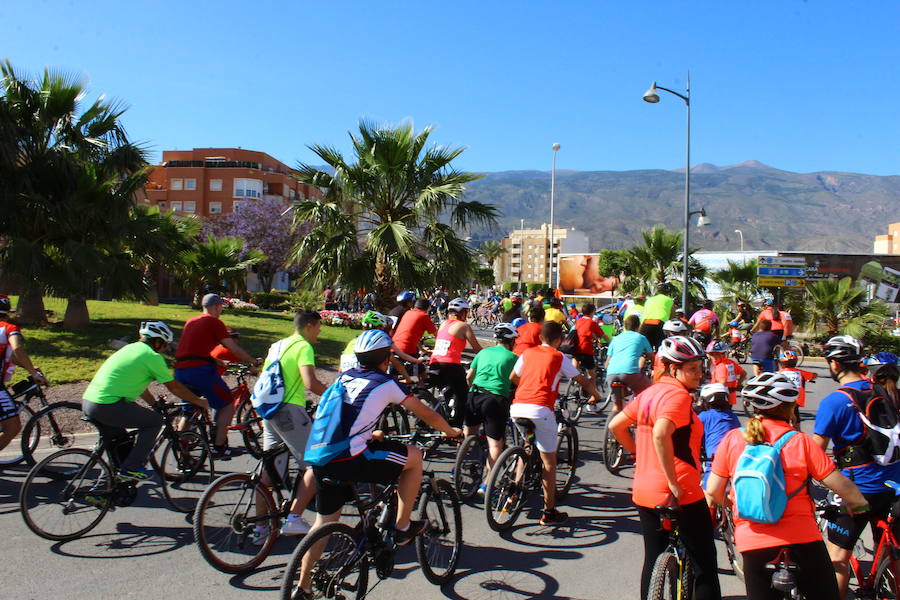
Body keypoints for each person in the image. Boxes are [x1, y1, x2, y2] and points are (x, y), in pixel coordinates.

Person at [293, 329, 462, 599]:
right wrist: (452, 432)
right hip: (351, 458)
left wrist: (370, 433)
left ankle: (302, 585)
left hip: (323, 458)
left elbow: (345, 417)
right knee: (414, 458)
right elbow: (426, 413)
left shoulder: (345, 377)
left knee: (323, 524)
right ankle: (402, 526)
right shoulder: (385, 383)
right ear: (387, 357)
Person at [707, 372, 869, 600]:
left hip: (753, 538)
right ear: (791, 408)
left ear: (750, 406)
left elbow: (713, 491)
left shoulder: (733, 439)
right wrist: (858, 503)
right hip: (801, 537)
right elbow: (838, 483)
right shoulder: (800, 441)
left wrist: (731, 503)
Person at [608, 336, 722, 600]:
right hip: (680, 489)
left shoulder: (649, 392)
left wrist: (637, 452)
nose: (699, 374)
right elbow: (661, 433)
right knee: (704, 561)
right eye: (691, 369)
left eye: (699, 367)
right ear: (673, 369)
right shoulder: (678, 396)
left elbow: (617, 426)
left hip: (644, 489)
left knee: (652, 557)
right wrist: (672, 479)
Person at [813, 335, 900, 598]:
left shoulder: (835, 401)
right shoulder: (883, 391)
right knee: (891, 548)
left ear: (834, 365)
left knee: (837, 558)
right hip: (894, 485)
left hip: (859, 489)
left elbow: (814, 452)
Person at [82, 321, 209, 480]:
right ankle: (132, 468)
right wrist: (198, 401)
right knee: (154, 422)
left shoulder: (130, 348)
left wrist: (154, 404)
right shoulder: (152, 356)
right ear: (157, 342)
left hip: (90, 402)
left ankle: (104, 487)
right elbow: (174, 387)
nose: (164, 350)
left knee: (122, 445)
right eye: (164, 345)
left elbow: (140, 387)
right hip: (108, 405)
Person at [510, 321, 602, 525]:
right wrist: (596, 395)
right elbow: (582, 381)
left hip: (518, 407)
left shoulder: (528, 353)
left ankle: (514, 493)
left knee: (526, 447)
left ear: (540, 337)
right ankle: (549, 512)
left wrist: (528, 386)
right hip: (541, 409)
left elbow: (514, 377)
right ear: (558, 340)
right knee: (549, 463)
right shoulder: (558, 356)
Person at [255, 310, 328, 539]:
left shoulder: (278, 345)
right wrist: (335, 397)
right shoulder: (304, 346)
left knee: (269, 471)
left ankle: (260, 528)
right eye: (318, 326)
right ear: (309, 325)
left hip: (269, 409)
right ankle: (294, 518)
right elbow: (310, 382)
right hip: (289, 409)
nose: (319, 331)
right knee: (316, 464)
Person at [174, 293, 260, 459]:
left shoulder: (191, 321)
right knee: (227, 404)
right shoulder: (214, 322)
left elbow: (191, 350)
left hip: (180, 370)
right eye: (221, 307)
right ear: (216, 307)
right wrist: (252, 361)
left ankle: (180, 444)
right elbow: (233, 348)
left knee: (189, 410)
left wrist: (216, 361)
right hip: (199, 371)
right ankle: (219, 448)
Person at [464, 322, 520, 493]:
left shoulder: (483, 353)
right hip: (495, 400)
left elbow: (469, 378)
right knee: (495, 444)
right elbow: (517, 382)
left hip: (474, 395)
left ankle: (460, 466)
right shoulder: (512, 358)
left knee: (469, 433)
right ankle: (487, 482)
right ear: (511, 342)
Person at [0, 296, 49, 454]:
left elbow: (11, 356)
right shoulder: (8, 328)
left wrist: (28, 367)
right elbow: (17, 349)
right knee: (13, 427)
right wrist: (33, 373)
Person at [430, 298, 482, 427]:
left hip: (434, 363)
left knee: (449, 391)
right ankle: (456, 428)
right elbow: (477, 349)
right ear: (463, 312)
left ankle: (446, 417)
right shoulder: (463, 326)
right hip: (450, 365)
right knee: (463, 395)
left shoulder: (443, 324)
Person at [605, 314, 653, 410]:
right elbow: (652, 357)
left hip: (611, 373)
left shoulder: (616, 339)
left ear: (625, 326)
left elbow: (607, 363)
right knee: (650, 390)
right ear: (638, 326)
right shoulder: (641, 338)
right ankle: (636, 414)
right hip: (630, 372)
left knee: (617, 406)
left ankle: (611, 424)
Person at [696, 383, 740, 487]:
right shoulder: (733, 417)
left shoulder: (704, 416)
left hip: (714, 463)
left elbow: (694, 439)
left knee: (708, 496)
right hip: (734, 462)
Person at [571, 303, 610, 386]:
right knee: (592, 375)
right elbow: (603, 336)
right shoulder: (592, 322)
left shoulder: (579, 321)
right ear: (592, 312)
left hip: (575, 348)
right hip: (586, 349)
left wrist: (594, 337)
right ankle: (593, 395)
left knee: (575, 366)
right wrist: (610, 343)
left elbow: (585, 332)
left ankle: (574, 377)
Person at [777, 349, 817, 426]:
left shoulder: (779, 373)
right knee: (796, 420)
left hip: (783, 398)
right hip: (796, 399)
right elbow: (813, 376)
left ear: (781, 363)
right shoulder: (800, 372)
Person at [707, 339, 746, 406]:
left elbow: (722, 383)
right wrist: (737, 385)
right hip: (730, 397)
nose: (713, 357)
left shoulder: (721, 366)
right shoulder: (731, 363)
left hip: (720, 400)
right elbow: (743, 373)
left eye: (716, 354)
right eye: (711, 354)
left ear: (723, 354)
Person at [639, 284, 675, 350]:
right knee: (660, 349)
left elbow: (644, 314)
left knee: (645, 352)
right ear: (667, 292)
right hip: (660, 324)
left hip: (645, 324)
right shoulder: (669, 300)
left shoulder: (649, 300)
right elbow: (672, 316)